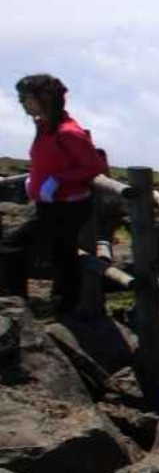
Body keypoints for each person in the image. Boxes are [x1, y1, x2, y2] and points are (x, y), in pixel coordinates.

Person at [2, 73, 108, 315]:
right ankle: (63, 305)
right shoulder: (45, 127)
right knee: (62, 253)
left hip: (67, 206)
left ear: (44, 98)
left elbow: (92, 167)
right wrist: (36, 180)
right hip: (53, 203)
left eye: (25, 97)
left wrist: (57, 180)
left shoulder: (67, 132)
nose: (21, 102)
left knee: (14, 245)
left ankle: (18, 302)